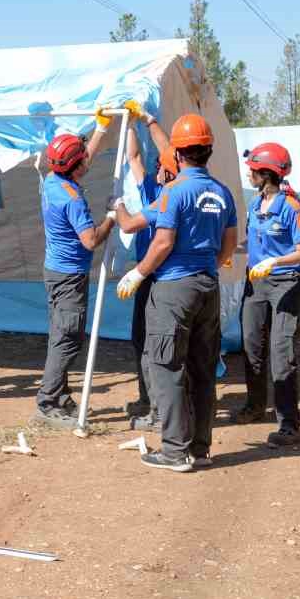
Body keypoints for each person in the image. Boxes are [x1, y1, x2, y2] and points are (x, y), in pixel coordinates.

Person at [117, 114, 237, 472]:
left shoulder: (174, 191)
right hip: (208, 286)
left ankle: (173, 451)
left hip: (174, 289)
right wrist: (203, 267)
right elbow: (228, 247)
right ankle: (200, 449)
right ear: (209, 150)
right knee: (203, 370)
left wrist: (138, 273)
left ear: (179, 154)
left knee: (167, 367)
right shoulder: (221, 191)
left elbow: (163, 242)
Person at [35, 130, 118, 428]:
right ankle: (47, 401)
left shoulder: (53, 181)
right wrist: (112, 216)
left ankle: (60, 396)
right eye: (83, 159)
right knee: (68, 340)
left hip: (54, 272)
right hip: (69, 277)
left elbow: (81, 158)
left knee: (60, 335)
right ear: (75, 166)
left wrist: (101, 129)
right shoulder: (72, 199)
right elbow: (90, 240)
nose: (87, 161)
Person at [110, 106, 180, 430]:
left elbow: (128, 225)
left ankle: (158, 409)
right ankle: (147, 398)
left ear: (170, 170)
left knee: (155, 344)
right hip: (146, 275)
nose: (156, 167)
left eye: (161, 166)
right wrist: (131, 123)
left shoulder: (172, 195)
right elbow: (133, 159)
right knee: (140, 339)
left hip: (159, 276)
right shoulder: (155, 187)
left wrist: (117, 207)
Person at [239, 141, 300, 447]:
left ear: (267, 172)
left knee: (281, 354)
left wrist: (275, 262)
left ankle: (290, 425)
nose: (249, 174)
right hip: (256, 283)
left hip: (286, 283)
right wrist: (230, 250)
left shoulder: (291, 206)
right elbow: (251, 242)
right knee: (251, 345)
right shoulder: (256, 205)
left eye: (253, 170)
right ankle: (255, 406)